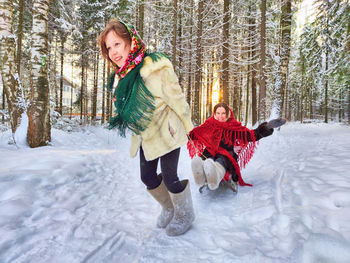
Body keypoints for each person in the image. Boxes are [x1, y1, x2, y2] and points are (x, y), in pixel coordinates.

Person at [98, 19, 195, 236]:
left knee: (170, 177)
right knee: (147, 177)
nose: (113, 52)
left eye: (117, 44)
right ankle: (169, 207)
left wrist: (190, 127)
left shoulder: (155, 66)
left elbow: (177, 98)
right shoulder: (123, 76)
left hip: (167, 131)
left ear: (130, 42)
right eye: (108, 47)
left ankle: (185, 213)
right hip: (147, 135)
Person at [187, 102, 274, 191]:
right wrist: (186, 131)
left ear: (228, 114)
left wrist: (266, 128)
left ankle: (215, 175)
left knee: (220, 161)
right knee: (206, 160)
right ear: (214, 114)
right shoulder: (209, 125)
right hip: (209, 152)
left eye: (223, 113)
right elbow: (195, 133)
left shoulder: (234, 127)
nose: (220, 116)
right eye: (218, 113)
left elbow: (251, 135)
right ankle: (200, 177)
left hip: (226, 154)